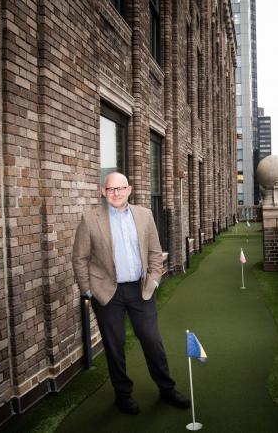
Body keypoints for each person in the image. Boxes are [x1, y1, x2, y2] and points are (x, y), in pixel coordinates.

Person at [72, 172, 190, 415]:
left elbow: (155, 252)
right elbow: (80, 258)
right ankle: (122, 395)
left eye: (121, 188)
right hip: (106, 293)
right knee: (115, 346)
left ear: (130, 189)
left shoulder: (144, 216)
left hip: (140, 289)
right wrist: (87, 290)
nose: (116, 193)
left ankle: (167, 389)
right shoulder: (89, 219)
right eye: (111, 189)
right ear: (103, 192)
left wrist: (155, 280)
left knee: (152, 340)